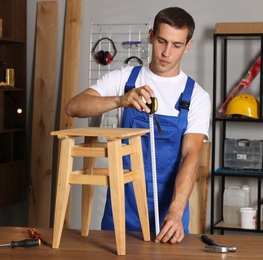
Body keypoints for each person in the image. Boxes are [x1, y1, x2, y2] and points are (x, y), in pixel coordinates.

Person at [66, 7, 210, 244]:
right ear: (151, 36)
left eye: (176, 45)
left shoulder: (196, 96)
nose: (166, 52)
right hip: (122, 209)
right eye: (162, 41)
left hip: (168, 215)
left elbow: (190, 156)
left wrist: (175, 212)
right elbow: (73, 107)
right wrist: (119, 100)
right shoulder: (125, 79)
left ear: (188, 46)